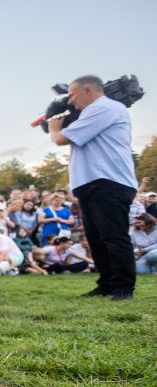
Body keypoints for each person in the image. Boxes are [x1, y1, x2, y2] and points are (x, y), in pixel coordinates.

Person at [49, 75, 138, 300]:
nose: (69, 101)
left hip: (109, 181)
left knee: (113, 236)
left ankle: (123, 287)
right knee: (96, 238)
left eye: (72, 94)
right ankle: (106, 283)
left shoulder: (106, 107)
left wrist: (53, 127)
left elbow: (60, 138)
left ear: (87, 90)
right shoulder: (92, 112)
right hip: (91, 183)